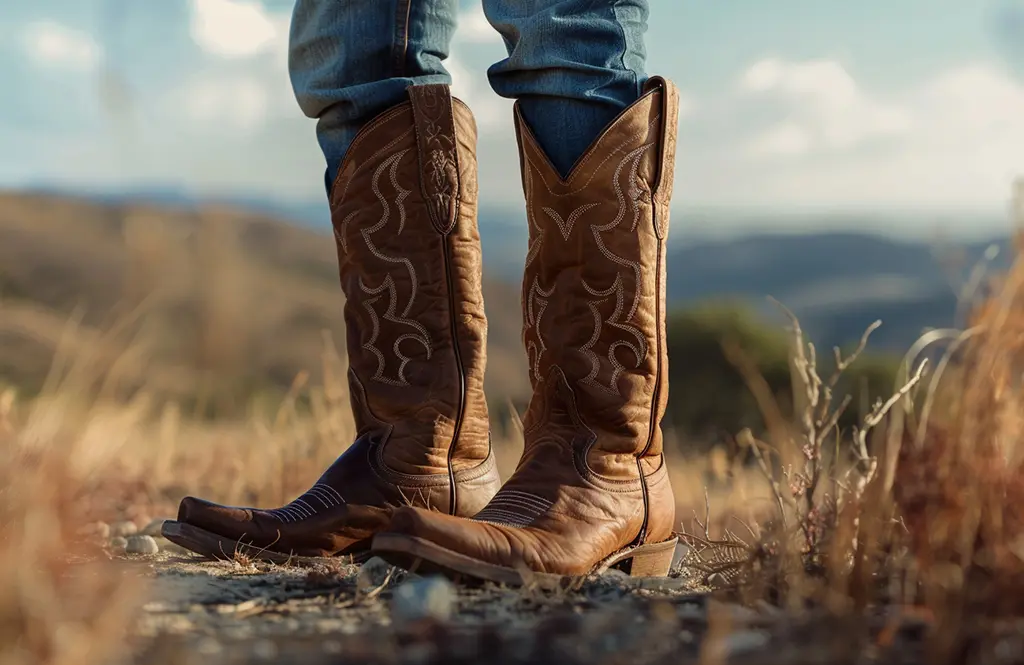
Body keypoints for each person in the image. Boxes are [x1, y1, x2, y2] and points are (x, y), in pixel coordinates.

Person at [163, 0, 681, 585]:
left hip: (604, 474)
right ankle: (418, 458)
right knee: (359, 52)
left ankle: (607, 467)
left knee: (566, 31)